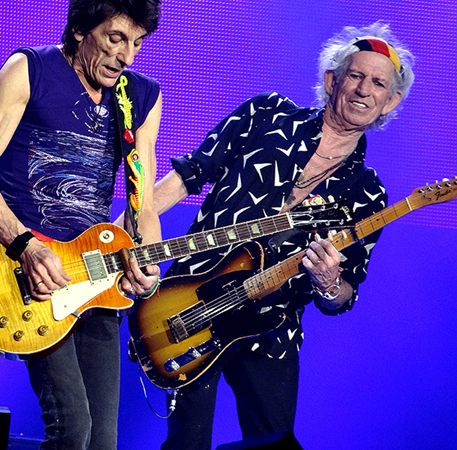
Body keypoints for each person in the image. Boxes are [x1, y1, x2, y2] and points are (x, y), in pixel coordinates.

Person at [149, 22, 414, 449]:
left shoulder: (368, 192)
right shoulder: (265, 113)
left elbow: (346, 295)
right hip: (191, 300)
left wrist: (328, 283)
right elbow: (190, 173)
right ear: (332, 80)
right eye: (356, 75)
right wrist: (133, 229)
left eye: (378, 83)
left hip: (271, 325)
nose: (364, 89)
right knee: (187, 443)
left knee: (273, 444)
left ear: (390, 102)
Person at [0, 1, 162, 449]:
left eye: (138, 43)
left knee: (103, 441)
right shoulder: (29, 68)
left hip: (97, 277)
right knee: (72, 428)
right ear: (81, 28)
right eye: (115, 38)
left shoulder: (142, 96)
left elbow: (142, 201)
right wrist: (26, 246)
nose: (127, 55)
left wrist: (148, 263)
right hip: (24, 272)